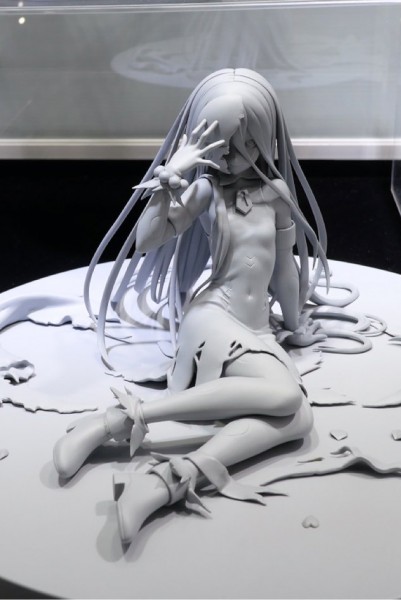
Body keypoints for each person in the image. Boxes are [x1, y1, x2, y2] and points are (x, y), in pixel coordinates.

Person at [53, 68, 329, 544]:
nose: (231, 156)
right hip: (214, 318)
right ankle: (124, 418)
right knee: (286, 399)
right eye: (222, 145)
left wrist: (295, 321)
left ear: (265, 138)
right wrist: (169, 179)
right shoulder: (206, 191)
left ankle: (165, 482)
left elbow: (284, 269)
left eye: (245, 143)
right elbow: (147, 240)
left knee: (299, 419)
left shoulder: (277, 194)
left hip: (257, 331)